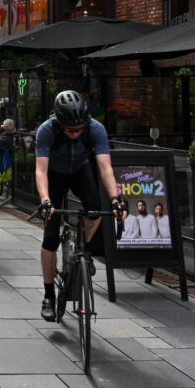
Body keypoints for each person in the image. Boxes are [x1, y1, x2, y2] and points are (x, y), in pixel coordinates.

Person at [35, 90, 122, 322]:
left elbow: (105, 168)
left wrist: (115, 199)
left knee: (95, 209)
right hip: (54, 174)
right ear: (60, 122)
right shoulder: (47, 130)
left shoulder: (95, 129)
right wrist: (45, 200)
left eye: (80, 129)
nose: (76, 133)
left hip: (80, 171)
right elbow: (40, 170)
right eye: (70, 130)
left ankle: (81, 246)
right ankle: (48, 295)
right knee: (50, 237)